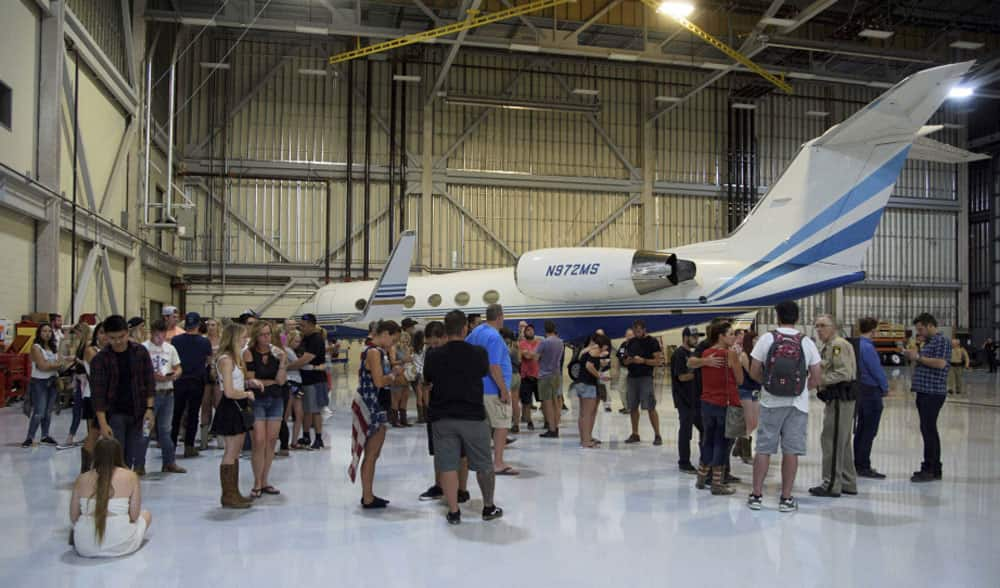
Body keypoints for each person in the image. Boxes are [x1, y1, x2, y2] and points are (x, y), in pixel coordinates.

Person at [423, 310, 504, 524]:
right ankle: (488, 507)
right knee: (484, 464)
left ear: (446, 329)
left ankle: (453, 511)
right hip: (472, 415)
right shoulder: (478, 353)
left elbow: (428, 379)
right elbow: (482, 373)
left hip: (442, 417)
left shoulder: (433, 355)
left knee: (448, 465)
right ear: (465, 328)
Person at [747, 301, 822, 512]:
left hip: (770, 403)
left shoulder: (767, 338)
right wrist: (801, 390)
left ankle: (756, 495)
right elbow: (817, 377)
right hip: (798, 406)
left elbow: (754, 371)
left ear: (777, 317)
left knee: (763, 448)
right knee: (791, 451)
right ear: (797, 318)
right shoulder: (806, 342)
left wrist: (770, 386)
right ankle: (786, 499)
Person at [90, 315, 156, 476]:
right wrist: (103, 424)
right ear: (106, 336)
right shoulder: (100, 359)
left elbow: (149, 382)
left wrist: (149, 409)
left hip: (138, 412)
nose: (118, 341)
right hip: (114, 414)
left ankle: (125, 493)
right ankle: (116, 494)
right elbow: (97, 394)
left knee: (130, 455)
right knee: (116, 459)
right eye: (113, 338)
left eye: (121, 336)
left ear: (128, 333)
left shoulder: (140, 352)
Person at [418, 321, 473, 503]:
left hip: (459, 408)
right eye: (429, 344)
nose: (433, 347)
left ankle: (462, 489)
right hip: (436, 409)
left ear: (445, 337)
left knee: (461, 453)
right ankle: (439, 485)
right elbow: (426, 381)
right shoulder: (431, 355)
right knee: (438, 450)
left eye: (436, 342)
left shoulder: (459, 353)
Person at [70, 438, 150, 558]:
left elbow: (74, 517)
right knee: (146, 514)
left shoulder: (81, 478)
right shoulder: (131, 476)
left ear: (95, 455)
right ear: (119, 454)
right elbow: (134, 516)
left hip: (84, 546)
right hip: (121, 544)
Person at [809, 315, 858, 498]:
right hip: (837, 399)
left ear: (833, 327)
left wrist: (818, 381)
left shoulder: (838, 345)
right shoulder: (830, 346)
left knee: (831, 440)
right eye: (817, 326)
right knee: (842, 442)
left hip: (840, 398)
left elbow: (843, 372)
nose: (819, 329)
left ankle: (831, 484)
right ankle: (847, 481)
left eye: (823, 326)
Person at [355, 320, 402, 509]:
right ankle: (367, 496)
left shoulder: (378, 352)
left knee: (374, 452)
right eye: (393, 340)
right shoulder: (374, 353)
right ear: (385, 334)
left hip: (377, 404)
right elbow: (379, 381)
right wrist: (394, 374)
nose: (393, 344)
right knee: (372, 453)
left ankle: (368, 494)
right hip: (371, 405)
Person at [467, 304, 517, 475]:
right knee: (502, 425)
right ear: (500, 317)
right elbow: (494, 365)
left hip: (478, 387)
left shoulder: (476, 332)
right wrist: (503, 389)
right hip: (493, 389)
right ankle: (498, 462)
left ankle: (483, 460)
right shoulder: (494, 336)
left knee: (485, 427)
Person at [697, 321, 743, 495]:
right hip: (724, 403)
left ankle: (701, 476)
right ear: (721, 336)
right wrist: (738, 359)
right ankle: (717, 482)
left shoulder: (707, 353)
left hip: (707, 402)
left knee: (708, 439)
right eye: (730, 334)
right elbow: (739, 379)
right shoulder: (729, 354)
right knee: (721, 443)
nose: (734, 337)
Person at [243, 321, 287, 498]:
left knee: (271, 441)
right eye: (262, 334)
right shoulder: (249, 353)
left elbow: (281, 381)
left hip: (276, 399)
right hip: (257, 400)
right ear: (256, 336)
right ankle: (257, 482)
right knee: (259, 441)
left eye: (268, 334)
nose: (266, 338)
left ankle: (265, 479)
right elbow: (253, 380)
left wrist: (283, 360)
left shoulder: (277, 353)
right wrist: (268, 381)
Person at [213, 323, 255, 508]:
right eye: (243, 337)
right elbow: (229, 391)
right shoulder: (226, 360)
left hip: (236, 406)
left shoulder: (233, 359)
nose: (246, 340)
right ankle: (229, 495)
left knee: (235, 452)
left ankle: (234, 492)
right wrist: (246, 394)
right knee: (231, 452)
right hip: (231, 406)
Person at [904, 313, 950, 483]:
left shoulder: (941, 341)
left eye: (921, 328)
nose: (920, 332)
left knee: (929, 430)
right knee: (927, 430)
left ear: (931, 325)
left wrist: (918, 357)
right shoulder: (929, 342)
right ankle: (931, 466)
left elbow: (941, 363)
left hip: (933, 392)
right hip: (924, 392)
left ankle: (931, 469)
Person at [143, 320, 187, 474]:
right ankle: (139, 465)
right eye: (156, 334)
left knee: (165, 430)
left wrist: (175, 374)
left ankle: (169, 462)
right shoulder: (144, 348)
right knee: (146, 430)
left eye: (162, 334)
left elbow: (178, 366)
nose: (159, 338)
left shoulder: (170, 349)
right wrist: (153, 376)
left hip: (168, 392)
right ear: (151, 333)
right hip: (150, 394)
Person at [170, 312, 214, 458]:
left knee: (176, 413)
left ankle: (171, 445)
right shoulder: (204, 342)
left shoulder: (176, 340)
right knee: (193, 413)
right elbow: (209, 360)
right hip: (197, 380)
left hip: (179, 380)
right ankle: (189, 446)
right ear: (198, 324)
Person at [854, 317, 889, 479]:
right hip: (871, 391)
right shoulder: (868, 347)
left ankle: (858, 463)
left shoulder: (856, 345)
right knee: (869, 430)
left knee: (861, 429)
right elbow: (876, 370)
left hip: (860, 389)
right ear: (873, 330)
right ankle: (864, 466)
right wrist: (885, 387)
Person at [288, 314, 328, 449]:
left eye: (303, 326)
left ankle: (318, 438)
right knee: (306, 410)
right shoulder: (305, 338)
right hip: (304, 380)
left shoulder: (316, 339)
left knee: (315, 410)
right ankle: (306, 436)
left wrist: (286, 368)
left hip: (315, 380)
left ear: (312, 325)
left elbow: (305, 359)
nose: (301, 328)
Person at [23, 322, 65, 447]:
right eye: (44, 331)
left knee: (48, 412)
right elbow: (42, 366)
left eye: (49, 331)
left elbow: (56, 363)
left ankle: (45, 436)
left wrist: (51, 365)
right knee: (39, 412)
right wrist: (56, 365)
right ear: (39, 333)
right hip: (39, 383)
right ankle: (30, 437)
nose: (47, 334)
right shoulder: (36, 347)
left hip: (52, 381)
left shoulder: (53, 347)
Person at [623, 319, 664, 445]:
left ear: (644, 330)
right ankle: (635, 433)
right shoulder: (630, 343)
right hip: (632, 378)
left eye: (639, 330)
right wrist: (629, 360)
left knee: (650, 406)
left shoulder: (652, 342)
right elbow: (624, 361)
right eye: (635, 330)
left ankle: (657, 434)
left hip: (646, 378)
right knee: (633, 407)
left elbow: (658, 361)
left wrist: (644, 361)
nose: (637, 332)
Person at [72, 323, 106, 472]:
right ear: (96, 334)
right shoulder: (91, 350)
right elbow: (101, 371)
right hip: (93, 396)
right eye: (102, 332)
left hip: (110, 398)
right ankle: (85, 469)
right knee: (94, 433)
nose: (105, 336)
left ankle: (103, 467)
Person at [670, 327, 703, 473]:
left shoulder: (693, 354)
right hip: (684, 399)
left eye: (697, 337)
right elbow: (682, 377)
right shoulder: (679, 354)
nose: (696, 340)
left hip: (696, 398)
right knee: (686, 430)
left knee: (704, 428)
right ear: (685, 337)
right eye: (694, 337)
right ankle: (684, 462)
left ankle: (705, 459)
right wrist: (700, 372)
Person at [574, 333, 611, 448]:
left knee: (583, 414)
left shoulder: (588, 350)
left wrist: (600, 363)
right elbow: (589, 366)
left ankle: (584, 438)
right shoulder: (596, 350)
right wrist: (600, 376)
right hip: (588, 385)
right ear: (603, 345)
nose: (606, 350)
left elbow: (588, 361)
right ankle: (586, 441)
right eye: (606, 347)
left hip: (580, 384)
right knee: (587, 414)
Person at [60, 322, 92, 449]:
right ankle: (73, 435)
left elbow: (88, 364)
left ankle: (73, 437)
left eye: (77, 333)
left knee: (82, 410)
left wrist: (76, 360)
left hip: (85, 382)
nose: (76, 335)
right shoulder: (81, 345)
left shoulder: (88, 345)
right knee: (78, 410)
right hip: (79, 380)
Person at [733, 330, 761, 465]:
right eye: (755, 339)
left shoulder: (757, 355)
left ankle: (739, 445)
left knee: (754, 422)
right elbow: (752, 374)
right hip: (745, 390)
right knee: (748, 422)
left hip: (755, 391)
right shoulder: (744, 355)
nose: (758, 341)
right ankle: (746, 453)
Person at [536, 320, 564, 438]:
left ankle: (551, 429)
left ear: (545, 329)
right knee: (556, 402)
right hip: (557, 374)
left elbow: (536, 357)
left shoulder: (544, 342)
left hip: (545, 375)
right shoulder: (560, 342)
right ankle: (556, 427)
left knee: (547, 403)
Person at [199, 318, 222, 450]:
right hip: (206, 372)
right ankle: (203, 439)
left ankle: (220, 437)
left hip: (220, 371)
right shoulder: (203, 340)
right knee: (205, 404)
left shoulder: (222, 340)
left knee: (219, 405)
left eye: (213, 325)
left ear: (218, 326)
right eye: (208, 325)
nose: (210, 327)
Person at [283, 330, 305, 452]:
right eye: (296, 341)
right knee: (287, 413)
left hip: (298, 383)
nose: (298, 343)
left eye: (299, 342)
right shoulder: (287, 351)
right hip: (291, 383)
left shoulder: (293, 351)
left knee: (299, 413)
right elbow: (300, 364)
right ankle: (284, 442)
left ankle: (294, 441)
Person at [518, 323, 541, 431]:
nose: (530, 332)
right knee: (526, 402)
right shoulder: (521, 344)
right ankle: (529, 421)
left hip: (538, 375)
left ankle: (547, 421)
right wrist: (533, 354)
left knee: (543, 400)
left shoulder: (539, 343)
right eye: (528, 330)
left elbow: (538, 356)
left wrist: (530, 353)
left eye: (531, 330)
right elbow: (527, 356)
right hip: (525, 376)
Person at [503, 329, 523, 433]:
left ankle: (505, 426)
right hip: (517, 376)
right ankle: (516, 424)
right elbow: (519, 361)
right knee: (515, 402)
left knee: (506, 402)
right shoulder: (516, 348)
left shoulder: (506, 349)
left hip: (508, 376)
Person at [614, 328, 635, 414]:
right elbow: (619, 356)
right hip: (623, 370)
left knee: (630, 390)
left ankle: (630, 408)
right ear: (625, 336)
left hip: (632, 370)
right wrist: (616, 369)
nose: (629, 337)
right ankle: (626, 406)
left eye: (631, 335)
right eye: (628, 335)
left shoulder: (636, 345)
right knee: (621, 388)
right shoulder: (623, 344)